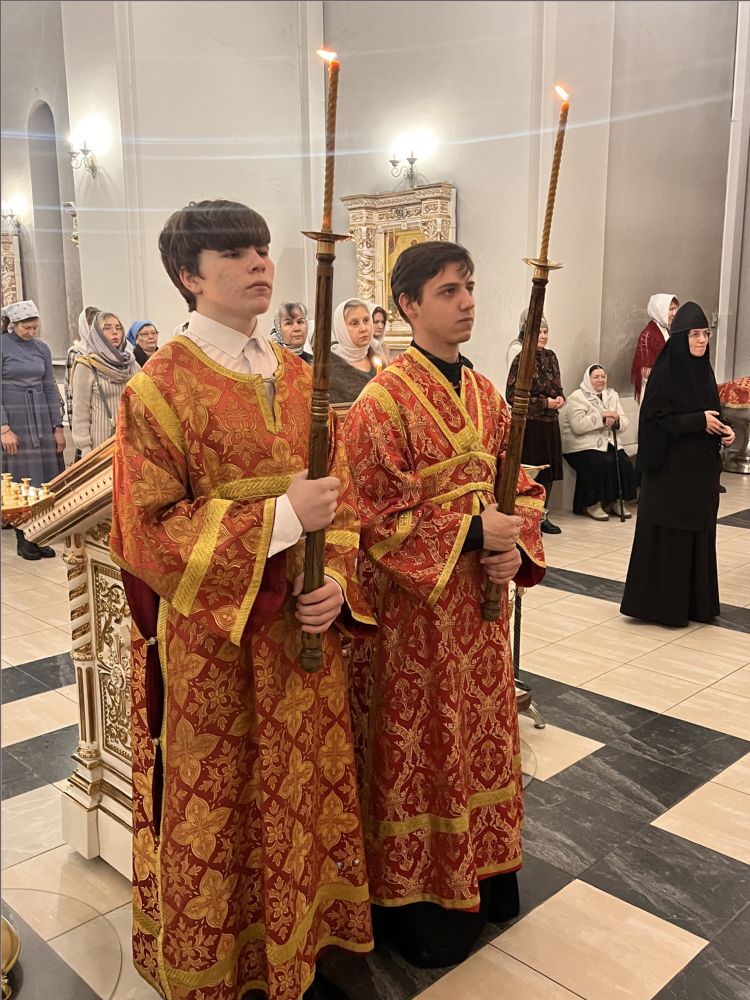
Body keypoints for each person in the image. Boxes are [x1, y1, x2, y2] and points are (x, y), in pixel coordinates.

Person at [109, 199, 374, 1000]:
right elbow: (146, 531)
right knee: (225, 807)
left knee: (304, 795)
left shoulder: (298, 376)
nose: (259, 262)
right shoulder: (158, 388)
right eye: (234, 253)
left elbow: (343, 499)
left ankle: (306, 948)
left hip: (303, 639)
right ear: (189, 275)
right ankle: (230, 969)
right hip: (213, 652)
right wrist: (284, 517)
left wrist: (336, 581)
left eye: (261, 248)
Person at [344, 241, 546, 969]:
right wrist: (470, 532)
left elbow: (518, 486)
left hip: (480, 617)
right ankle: (422, 904)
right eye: (448, 291)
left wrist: (515, 545)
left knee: (479, 738)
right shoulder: (381, 402)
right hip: (414, 625)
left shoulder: (489, 394)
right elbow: (367, 516)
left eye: (469, 287)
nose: (467, 302)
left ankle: (486, 875)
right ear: (409, 304)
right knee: (424, 747)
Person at [621, 302, 734, 627]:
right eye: (695, 335)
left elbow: (710, 413)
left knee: (697, 533)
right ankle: (665, 608)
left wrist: (723, 430)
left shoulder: (704, 371)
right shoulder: (666, 372)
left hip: (699, 475)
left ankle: (695, 605)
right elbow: (654, 422)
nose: (701, 341)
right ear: (682, 337)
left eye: (706, 334)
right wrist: (698, 422)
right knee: (673, 537)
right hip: (670, 476)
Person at [1, 300, 65, 560]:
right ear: (13, 325)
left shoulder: (42, 349)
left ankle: (40, 534)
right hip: (15, 418)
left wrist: (57, 426)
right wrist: (4, 428)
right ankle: (23, 537)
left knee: (45, 478)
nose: (31, 332)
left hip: (40, 417)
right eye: (26, 328)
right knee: (21, 477)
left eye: (34, 328)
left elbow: (49, 386)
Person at [506, 309, 565, 534]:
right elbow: (513, 395)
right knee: (532, 473)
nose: (543, 336)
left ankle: (543, 516)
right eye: (538, 331)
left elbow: (557, 385)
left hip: (550, 422)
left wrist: (560, 398)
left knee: (548, 473)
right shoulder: (520, 356)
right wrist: (544, 403)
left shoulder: (551, 356)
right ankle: (528, 517)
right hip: (531, 424)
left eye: (545, 331)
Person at [562, 364, 637, 520]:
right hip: (580, 444)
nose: (600, 380)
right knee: (598, 462)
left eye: (603, 376)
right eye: (596, 377)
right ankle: (591, 504)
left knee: (623, 461)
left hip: (606, 442)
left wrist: (615, 420)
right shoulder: (577, 397)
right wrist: (602, 417)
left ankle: (617, 501)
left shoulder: (612, 395)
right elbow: (578, 426)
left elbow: (624, 420)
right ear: (588, 379)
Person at [71, 312, 139, 456]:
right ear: (97, 334)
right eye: (107, 328)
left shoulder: (131, 363)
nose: (114, 332)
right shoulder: (87, 365)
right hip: (101, 444)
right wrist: (85, 447)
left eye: (118, 328)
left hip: (131, 440)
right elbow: (80, 411)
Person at [328, 297, 379, 404]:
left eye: (366, 320)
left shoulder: (379, 359)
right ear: (341, 328)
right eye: (354, 323)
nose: (364, 328)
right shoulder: (328, 368)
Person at [630, 293, 679, 404]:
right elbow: (646, 372)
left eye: (676, 309)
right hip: (654, 393)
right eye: (671, 309)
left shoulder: (667, 331)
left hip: (667, 389)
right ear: (659, 310)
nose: (675, 313)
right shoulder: (647, 335)